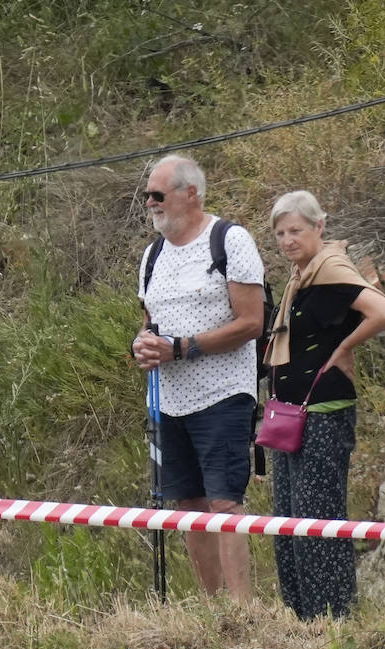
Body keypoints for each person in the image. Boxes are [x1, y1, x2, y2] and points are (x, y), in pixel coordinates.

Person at [131, 154, 264, 602]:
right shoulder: (152, 255)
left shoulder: (230, 240)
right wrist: (143, 344)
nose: (149, 203)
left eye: (157, 195)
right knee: (188, 507)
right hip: (168, 400)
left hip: (224, 394)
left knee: (225, 503)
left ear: (191, 194)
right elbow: (150, 321)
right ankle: (212, 609)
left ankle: (242, 612)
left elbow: (252, 322)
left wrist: (182, 347)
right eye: (147, 195)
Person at [264, 191, 385, 620]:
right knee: (288, 525)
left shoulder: (330, 270)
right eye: (281, 232)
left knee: (317, 523)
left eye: (296, 230)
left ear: (319, 228)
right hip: (290, 415)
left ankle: (331, 622)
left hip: (323, 412)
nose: (287, 240)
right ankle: (301, 619)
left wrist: (344, 347)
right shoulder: (299, 278)